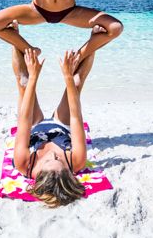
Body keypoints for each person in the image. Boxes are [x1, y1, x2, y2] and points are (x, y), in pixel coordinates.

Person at [13, 47, 93, 207]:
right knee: (76, 83)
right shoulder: (76, 162)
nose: (54, 155)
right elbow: (76, 117)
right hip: (61, 125)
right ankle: (96, 38)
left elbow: (24, 119)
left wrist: (33, 77)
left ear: (39, 174)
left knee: (23, 82)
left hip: (34, 125)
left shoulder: (24, 164)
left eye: (49, 160)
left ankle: (13, 33)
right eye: (59, 160)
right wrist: (68, 76)